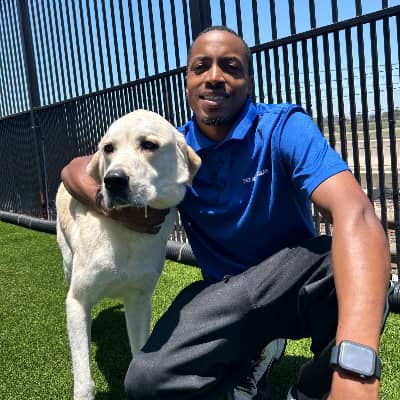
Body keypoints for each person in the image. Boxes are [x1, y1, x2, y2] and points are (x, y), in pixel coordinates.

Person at [61, 26, 390, 400]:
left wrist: (355, 369)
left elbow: (357, 215)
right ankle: (250, 359)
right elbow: (74, 169)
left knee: (357, 259)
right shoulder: (173, 150)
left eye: (230, 67)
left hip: (290, 283)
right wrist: (113, 205)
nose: (214, 77)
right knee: (146, 382)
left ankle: (314, 387)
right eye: (201, 67)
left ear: (248, 83)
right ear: (188, 83)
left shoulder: (283, 126)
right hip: (226, 293)